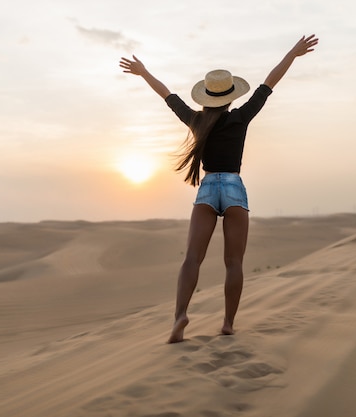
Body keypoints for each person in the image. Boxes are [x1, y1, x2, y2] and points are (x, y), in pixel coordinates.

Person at [119, 34, 318, 343]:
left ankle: (180, 316)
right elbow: (269, 84)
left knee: (192, 260)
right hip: (235, 188)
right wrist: (292, 53)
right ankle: (227, 323)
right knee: (234, 263)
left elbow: (167, 95)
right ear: (230, 97)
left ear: (206, 97)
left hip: (208, 189)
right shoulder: (240, 117)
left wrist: (143, 72)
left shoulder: (196, 120)